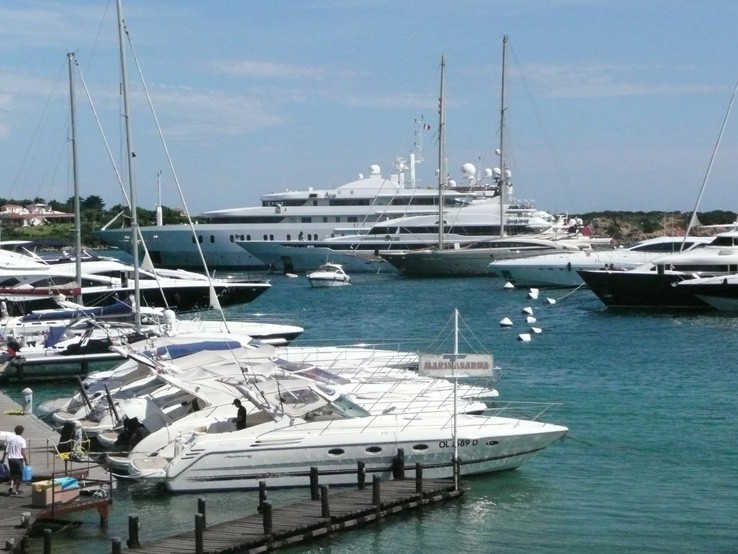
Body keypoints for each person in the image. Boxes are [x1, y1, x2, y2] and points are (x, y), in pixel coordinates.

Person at [6, 425, 27, 496]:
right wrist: (26, 460)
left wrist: (3, 458)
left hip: (10, 459)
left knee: (13, 474)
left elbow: (6, 450)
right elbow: (23, 452)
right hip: (18, 459)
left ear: (15, 431)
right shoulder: (22, 440)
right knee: (20, 475)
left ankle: (11, 486)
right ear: (22, 432)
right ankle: (17, 490)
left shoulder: (10, 439)